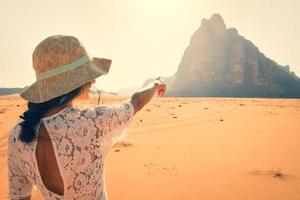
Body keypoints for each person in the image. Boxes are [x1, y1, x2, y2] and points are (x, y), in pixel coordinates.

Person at [7, 35, 166, 200]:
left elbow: (19, 196)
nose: (94, 80)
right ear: (74, 82)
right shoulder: (92, 122)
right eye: (87, 74)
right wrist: (155, 84)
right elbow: (137, 101)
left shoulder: (16, 136)